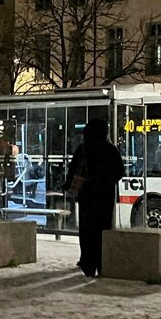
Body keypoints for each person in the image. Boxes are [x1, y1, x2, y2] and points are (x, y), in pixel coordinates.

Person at [64, 118, 125, 277]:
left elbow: (73, 170)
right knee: (102, 229)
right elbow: (119, 172)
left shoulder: (84, 149)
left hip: (87, 195)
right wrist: (104, 181)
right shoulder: (110, 150)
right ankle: (101, 263)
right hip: (105, 196)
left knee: (86, 230)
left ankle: (87, 262)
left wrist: (70, 185)